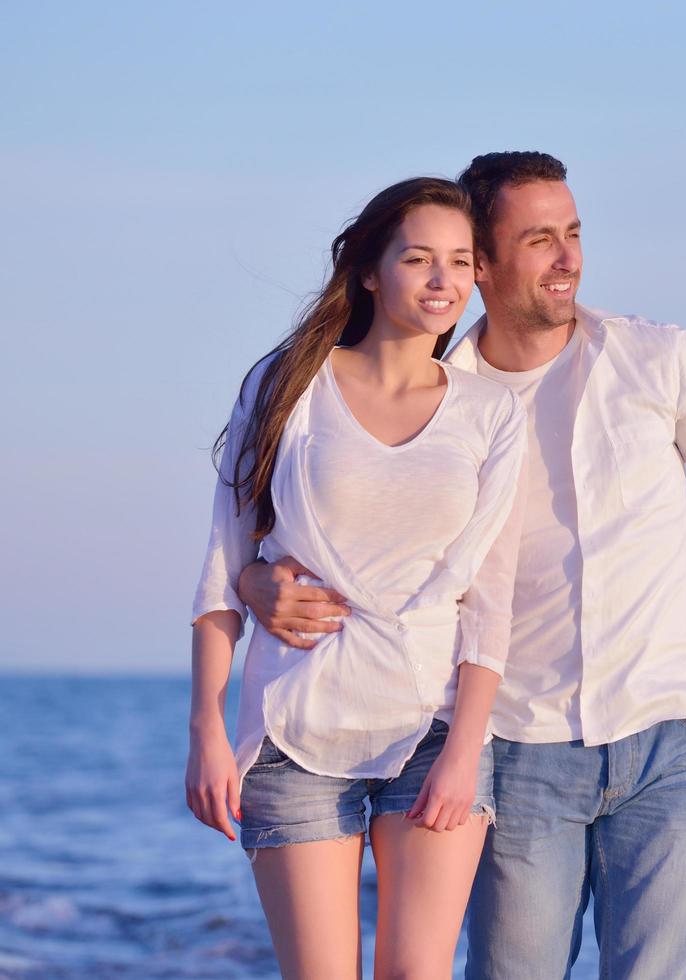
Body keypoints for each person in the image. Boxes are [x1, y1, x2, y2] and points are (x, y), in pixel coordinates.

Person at [240, 151, 686, 979]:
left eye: (573, 234)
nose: (568, 257)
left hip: (666, 731)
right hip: (518, 740)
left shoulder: (658, 357)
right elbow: (343, 538)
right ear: (485, 264)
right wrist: (256, 581)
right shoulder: (444, 395)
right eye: (539, 240)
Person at [185, 177, 526, 978]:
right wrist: (205, 726)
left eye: (460, 262)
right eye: (418, 259)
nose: (443, 282)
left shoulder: (489, 413)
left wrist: (465, 749)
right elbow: (222, 570)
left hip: (431, 730)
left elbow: (489, 599)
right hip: (295, 731)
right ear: (369, 270)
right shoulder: (285, 387)